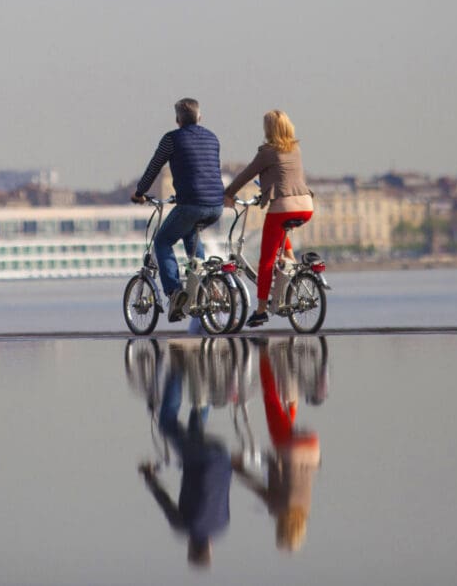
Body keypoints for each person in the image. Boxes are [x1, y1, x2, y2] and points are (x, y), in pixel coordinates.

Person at [132, 98, 225, 323]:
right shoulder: (212, 138)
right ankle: (202, 287)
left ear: (177, 120)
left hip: (191, 204)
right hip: (216, 205)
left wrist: (139, 192)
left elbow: (154, 167)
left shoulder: (171, 139)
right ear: (200, 117)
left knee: (163, 241)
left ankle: (174, 293)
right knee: (190, 233)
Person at [139, 349, 232, 567]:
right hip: (199, 459)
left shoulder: (222, 526)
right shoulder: (183, 527)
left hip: (222, 457)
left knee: (195, 432)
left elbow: (214, 491)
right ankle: (177, 369)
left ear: (210, 547)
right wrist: (149, 476)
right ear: (190, 546)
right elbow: (163, 499)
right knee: (166, 424)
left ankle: (203, 377)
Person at [223, 110, 313, 327]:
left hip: (283, 207)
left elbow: (246, 174)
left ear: (268, 129)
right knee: (281, 233)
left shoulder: (267, 152)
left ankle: (261, 310)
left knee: (266, 261)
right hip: (306, 206)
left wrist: (228, 193)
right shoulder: (296, 149)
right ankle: (290, 262)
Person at [232, 339, 321, 552]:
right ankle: (264, 352)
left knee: (284, 425)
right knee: (271, 401)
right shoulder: (277, 508)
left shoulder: (305, 507)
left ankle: (291, 393)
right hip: (288, 449)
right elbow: (255, 486)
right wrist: (237, 468)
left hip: (312, 448)